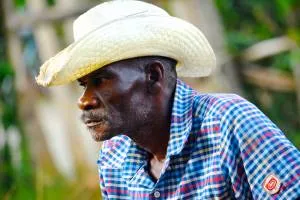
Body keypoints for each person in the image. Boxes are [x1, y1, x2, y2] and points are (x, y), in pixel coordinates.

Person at [36, 0, 300, 199]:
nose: (84, 101)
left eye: (101, 80)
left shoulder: (229, 122)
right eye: (84, 85)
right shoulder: (114, 159)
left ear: (153, 75)